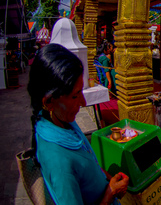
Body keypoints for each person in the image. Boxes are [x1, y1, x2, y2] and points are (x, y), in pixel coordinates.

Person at [27, 43, 129, 204]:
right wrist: (111, 192)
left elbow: (86, 163)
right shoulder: (59, 162)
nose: (82, 102)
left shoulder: (60, 121)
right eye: (75, 96)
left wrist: (108, 179)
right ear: (49, 102)